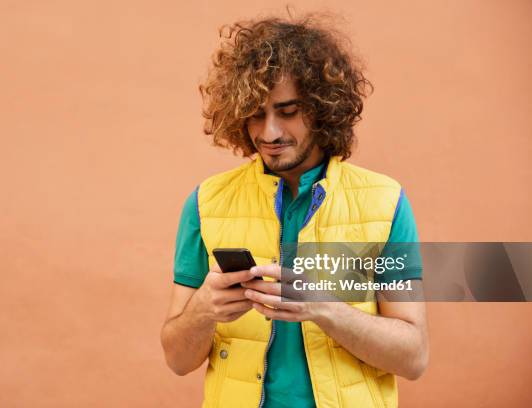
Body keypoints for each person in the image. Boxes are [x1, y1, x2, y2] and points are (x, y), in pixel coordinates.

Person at [161, 13, 428, 408]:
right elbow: (177, 359)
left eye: (287, 111)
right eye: (255, 113)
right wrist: (203, 310)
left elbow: (414, 356)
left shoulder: (385, 202)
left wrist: (322, 307)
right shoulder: (206, 203)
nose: (269, 133)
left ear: (323, 108)